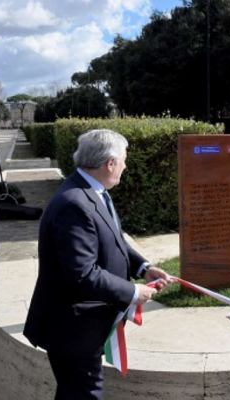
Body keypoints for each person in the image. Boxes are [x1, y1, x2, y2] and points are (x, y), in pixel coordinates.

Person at [24, 129, 172, 400]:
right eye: (124, 160)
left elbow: (112, 238)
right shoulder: (75, 203)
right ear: (110, 163)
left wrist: (141, 267)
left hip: (82, 326)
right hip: (73, 330)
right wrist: (134, 293)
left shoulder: (92, 190)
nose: (126, 166)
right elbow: (83, 274)